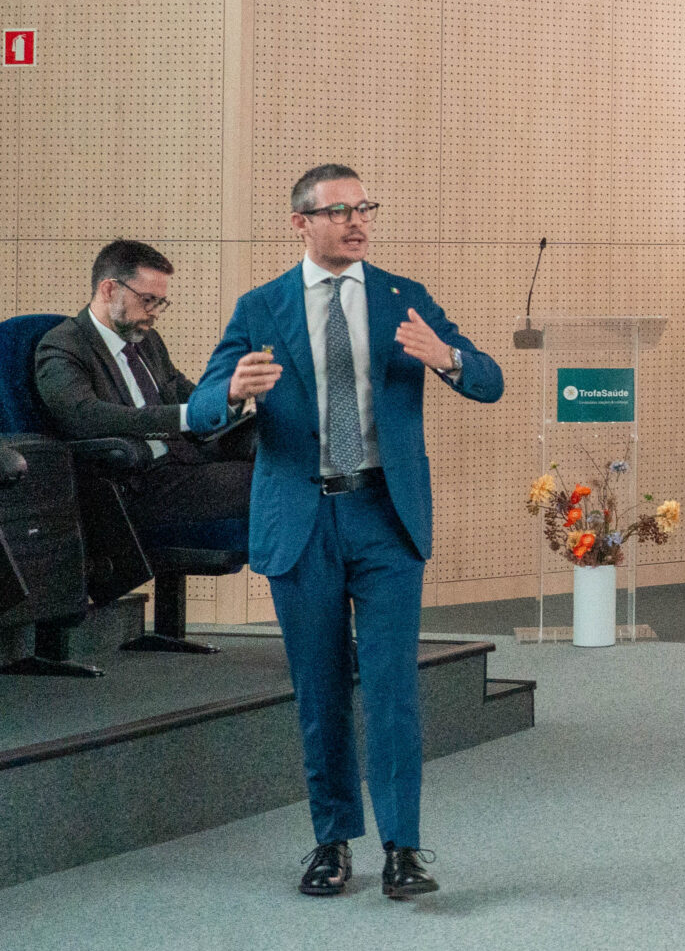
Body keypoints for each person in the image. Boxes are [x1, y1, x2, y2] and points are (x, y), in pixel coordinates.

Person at [185, 166, 504, 898]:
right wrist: (231, 392)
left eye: (365, 208)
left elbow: (489, 380)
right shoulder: (261, 307)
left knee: (392, 689)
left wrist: (448, 358)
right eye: (340, 211)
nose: (358, 221)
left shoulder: (402, 297)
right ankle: (331, 841)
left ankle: (403, 848)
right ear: (300, 222)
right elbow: (201, 409)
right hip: (301, 521)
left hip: (385, 516)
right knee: (320, 690)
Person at [32, 239, 254, 534]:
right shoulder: (63, 345)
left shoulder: (147, 340)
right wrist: (188, 416)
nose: (155, 312)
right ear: (109, 290)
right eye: (148, 300)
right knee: (268, 480)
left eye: (160, 302)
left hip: (185, 460)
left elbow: (185, 393)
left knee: (280, 446)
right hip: (134, 483)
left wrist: (230, 396)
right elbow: (86, 417)